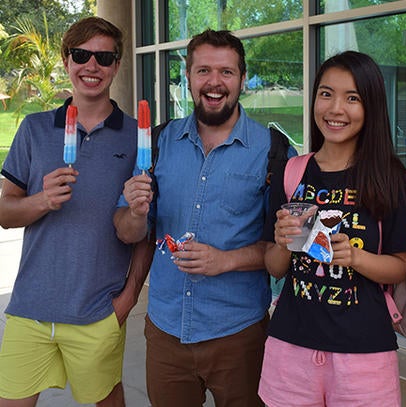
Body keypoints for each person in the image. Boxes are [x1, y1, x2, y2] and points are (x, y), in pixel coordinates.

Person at [113, 29, 295, 407]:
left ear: (243, 79)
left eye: (227, 72)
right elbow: (129, 233)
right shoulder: (159, 142)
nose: (215, 82)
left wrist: (224, 260)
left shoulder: (275, 152)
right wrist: (133, 212)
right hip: (166, 331)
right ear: (189, 77)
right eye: (204, 71)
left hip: (239, 333)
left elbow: (281, 250)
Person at [0, 17, 147, 406]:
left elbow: (143, 230)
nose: (91, 66)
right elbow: (4, 212)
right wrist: (41, 200)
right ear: (67, 60)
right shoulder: (34, 129)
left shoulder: (138, 137)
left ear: (116, 65)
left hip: (97, 313)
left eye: (104, 57)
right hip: (29, 310)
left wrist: (127, 299)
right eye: (81, 55)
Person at [258, 51, 406, 406]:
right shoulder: (290, 173)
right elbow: (273, 265)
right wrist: (283, 242)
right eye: (326, 94)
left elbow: (400, 266)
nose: (335, 109)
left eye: (352, 98)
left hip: (364, 355)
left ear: (371, 106)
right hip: (290, 349)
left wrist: (356, 257)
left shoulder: (391, 180)